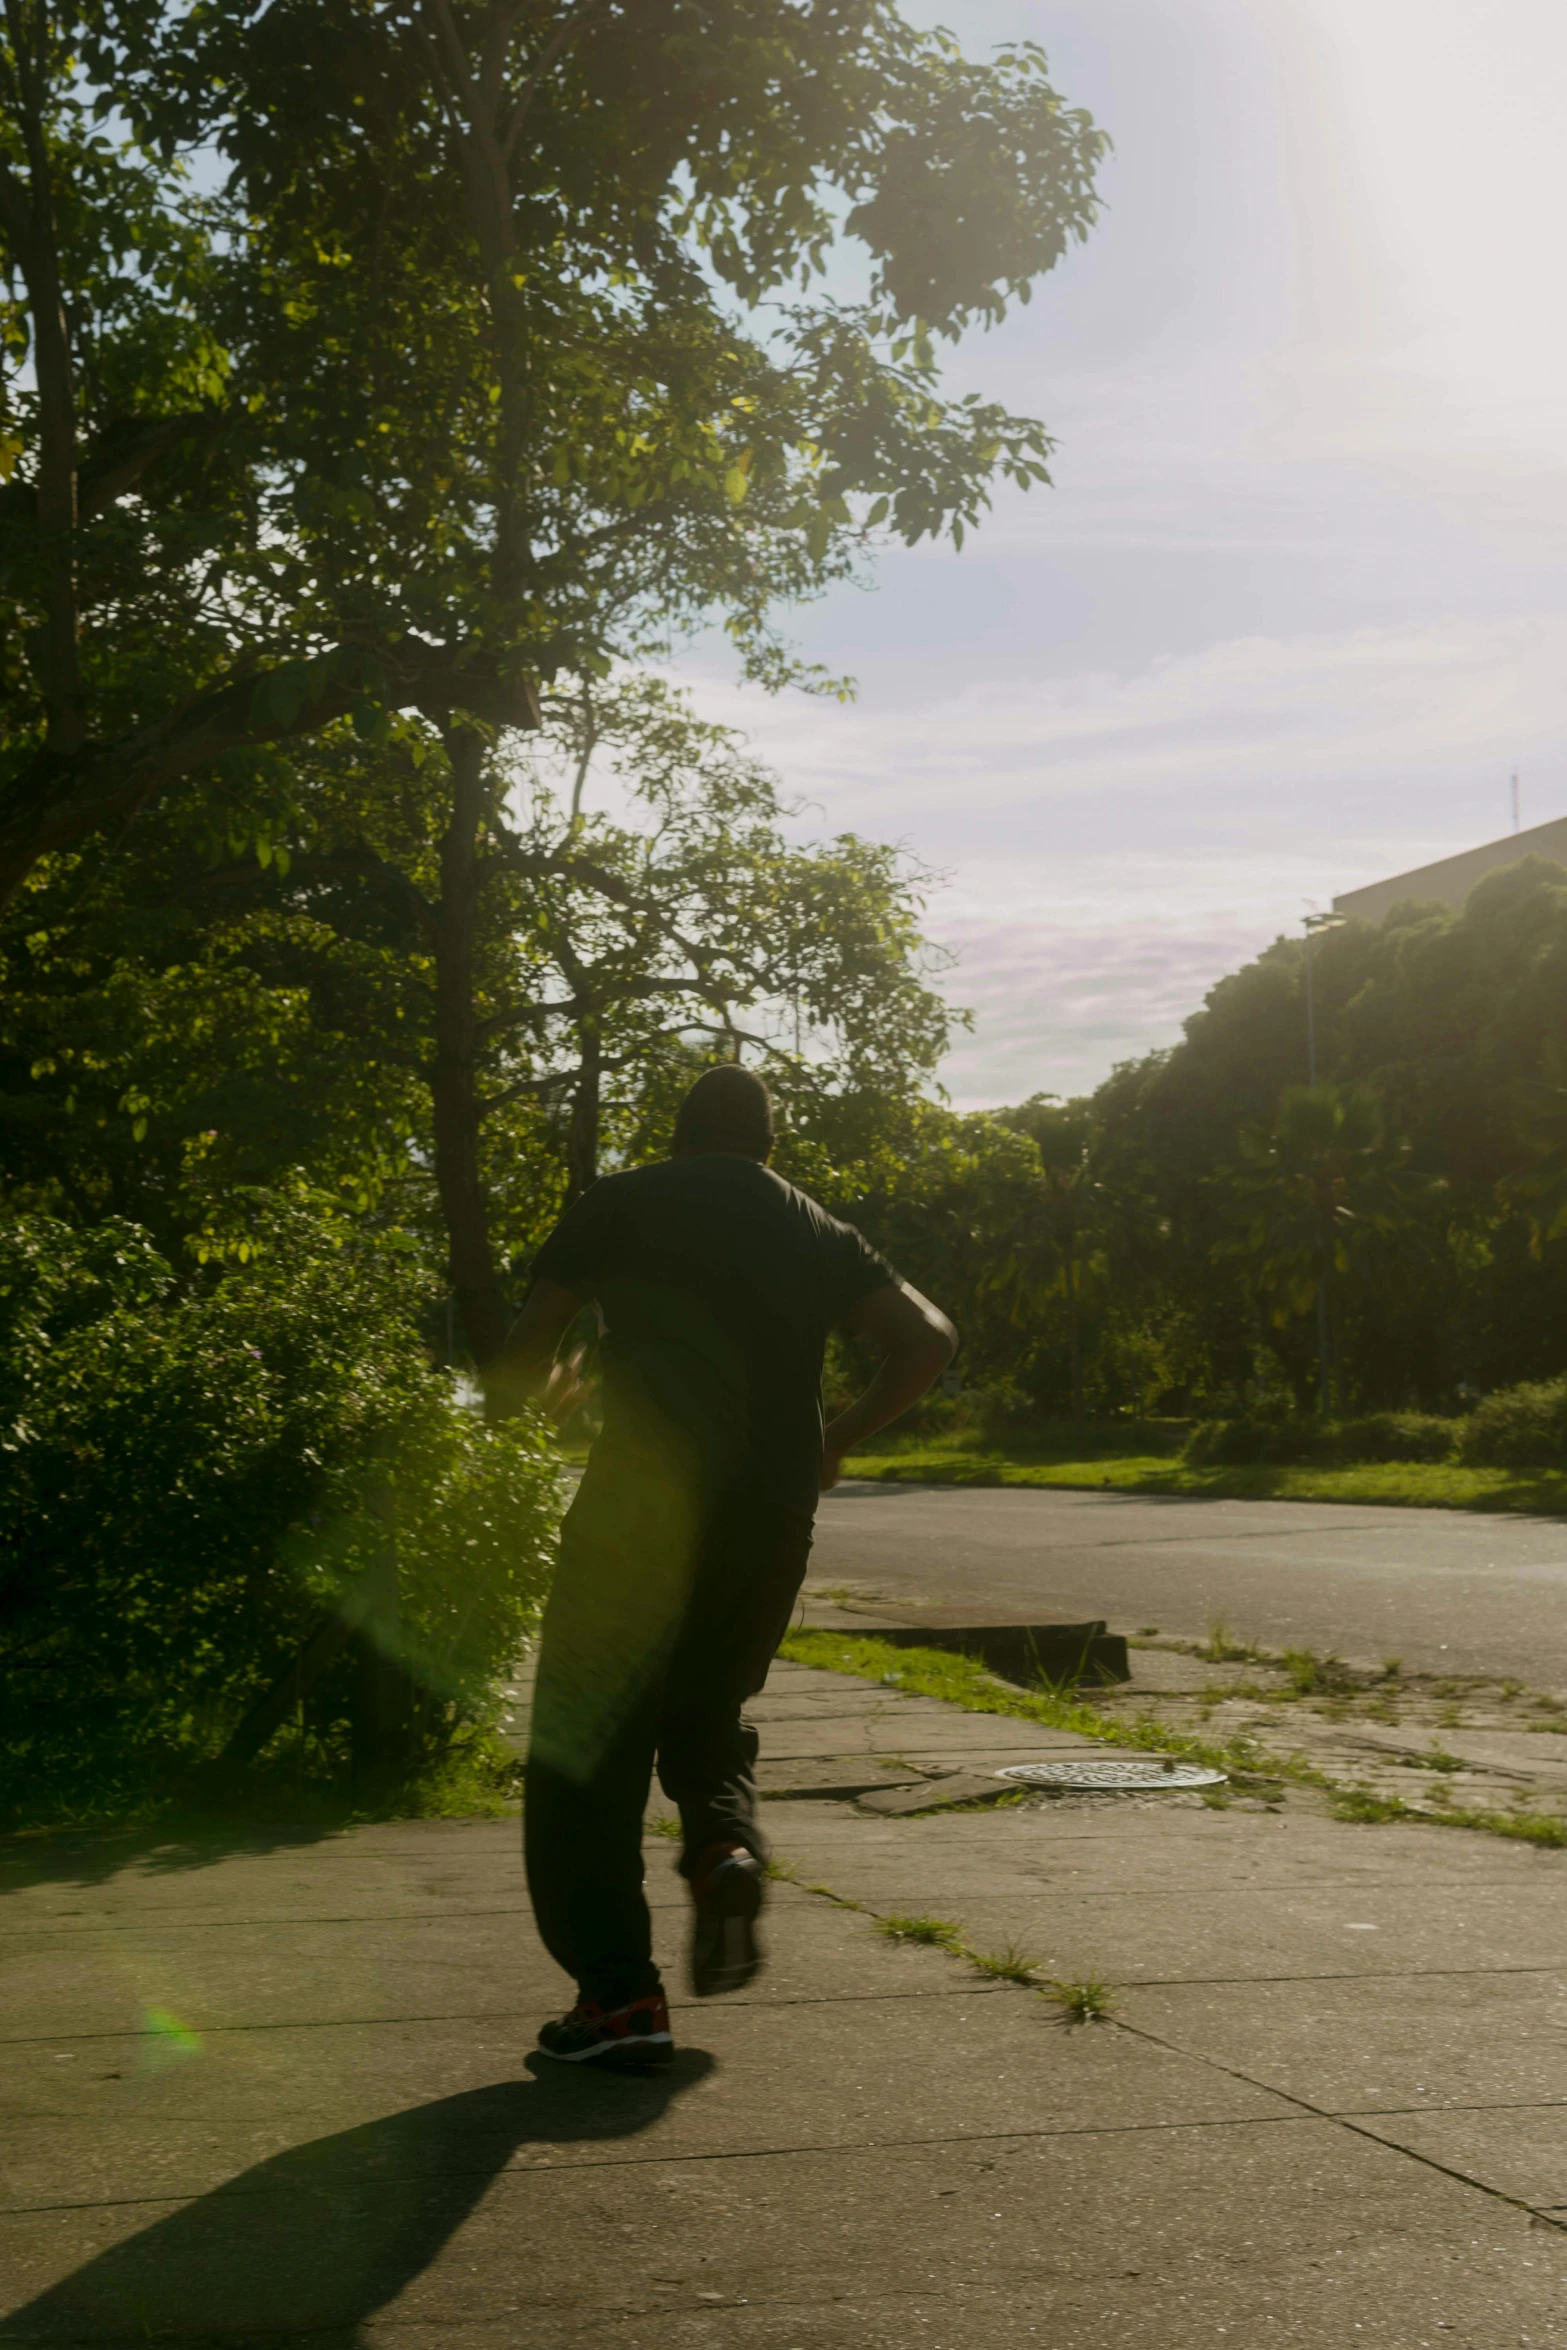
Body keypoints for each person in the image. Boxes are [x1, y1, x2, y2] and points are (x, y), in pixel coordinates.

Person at [490, 1065, 956, 2069]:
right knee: (704, 1716)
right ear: (766, 1146)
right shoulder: (815, 1226)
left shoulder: (618, 1201)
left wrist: (530, 1398)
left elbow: (526, 1347)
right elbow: (926, 1338)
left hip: (638, 1511)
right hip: (771, 1511)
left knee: (590, 1748)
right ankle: (723, 1846)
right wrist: (836, 1435)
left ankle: (619, 1999)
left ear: (679, 1134)